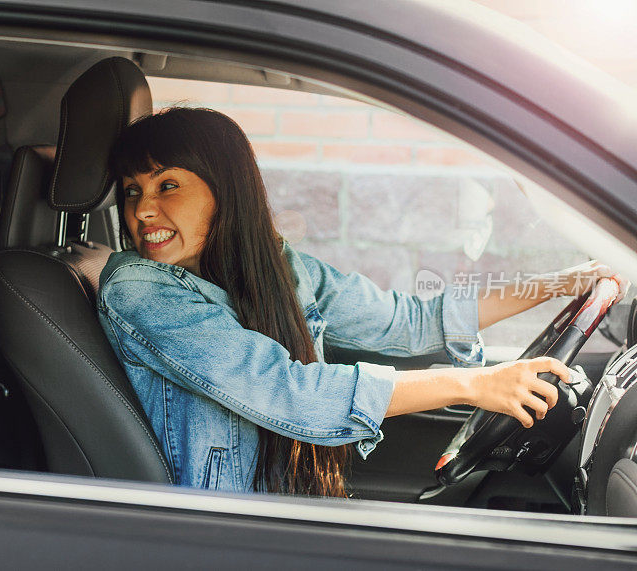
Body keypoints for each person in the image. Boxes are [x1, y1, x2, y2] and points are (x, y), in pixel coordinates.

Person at [96, 107, 628, 497]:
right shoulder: (140, 289)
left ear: (226, 190)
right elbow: (288, 391)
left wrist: (558, 284)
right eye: (131, 190)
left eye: (167, 185)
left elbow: (409, 320)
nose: (143, 210)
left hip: (278, 509)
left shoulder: (276, 267)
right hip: (218, 530)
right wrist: (473, 383)